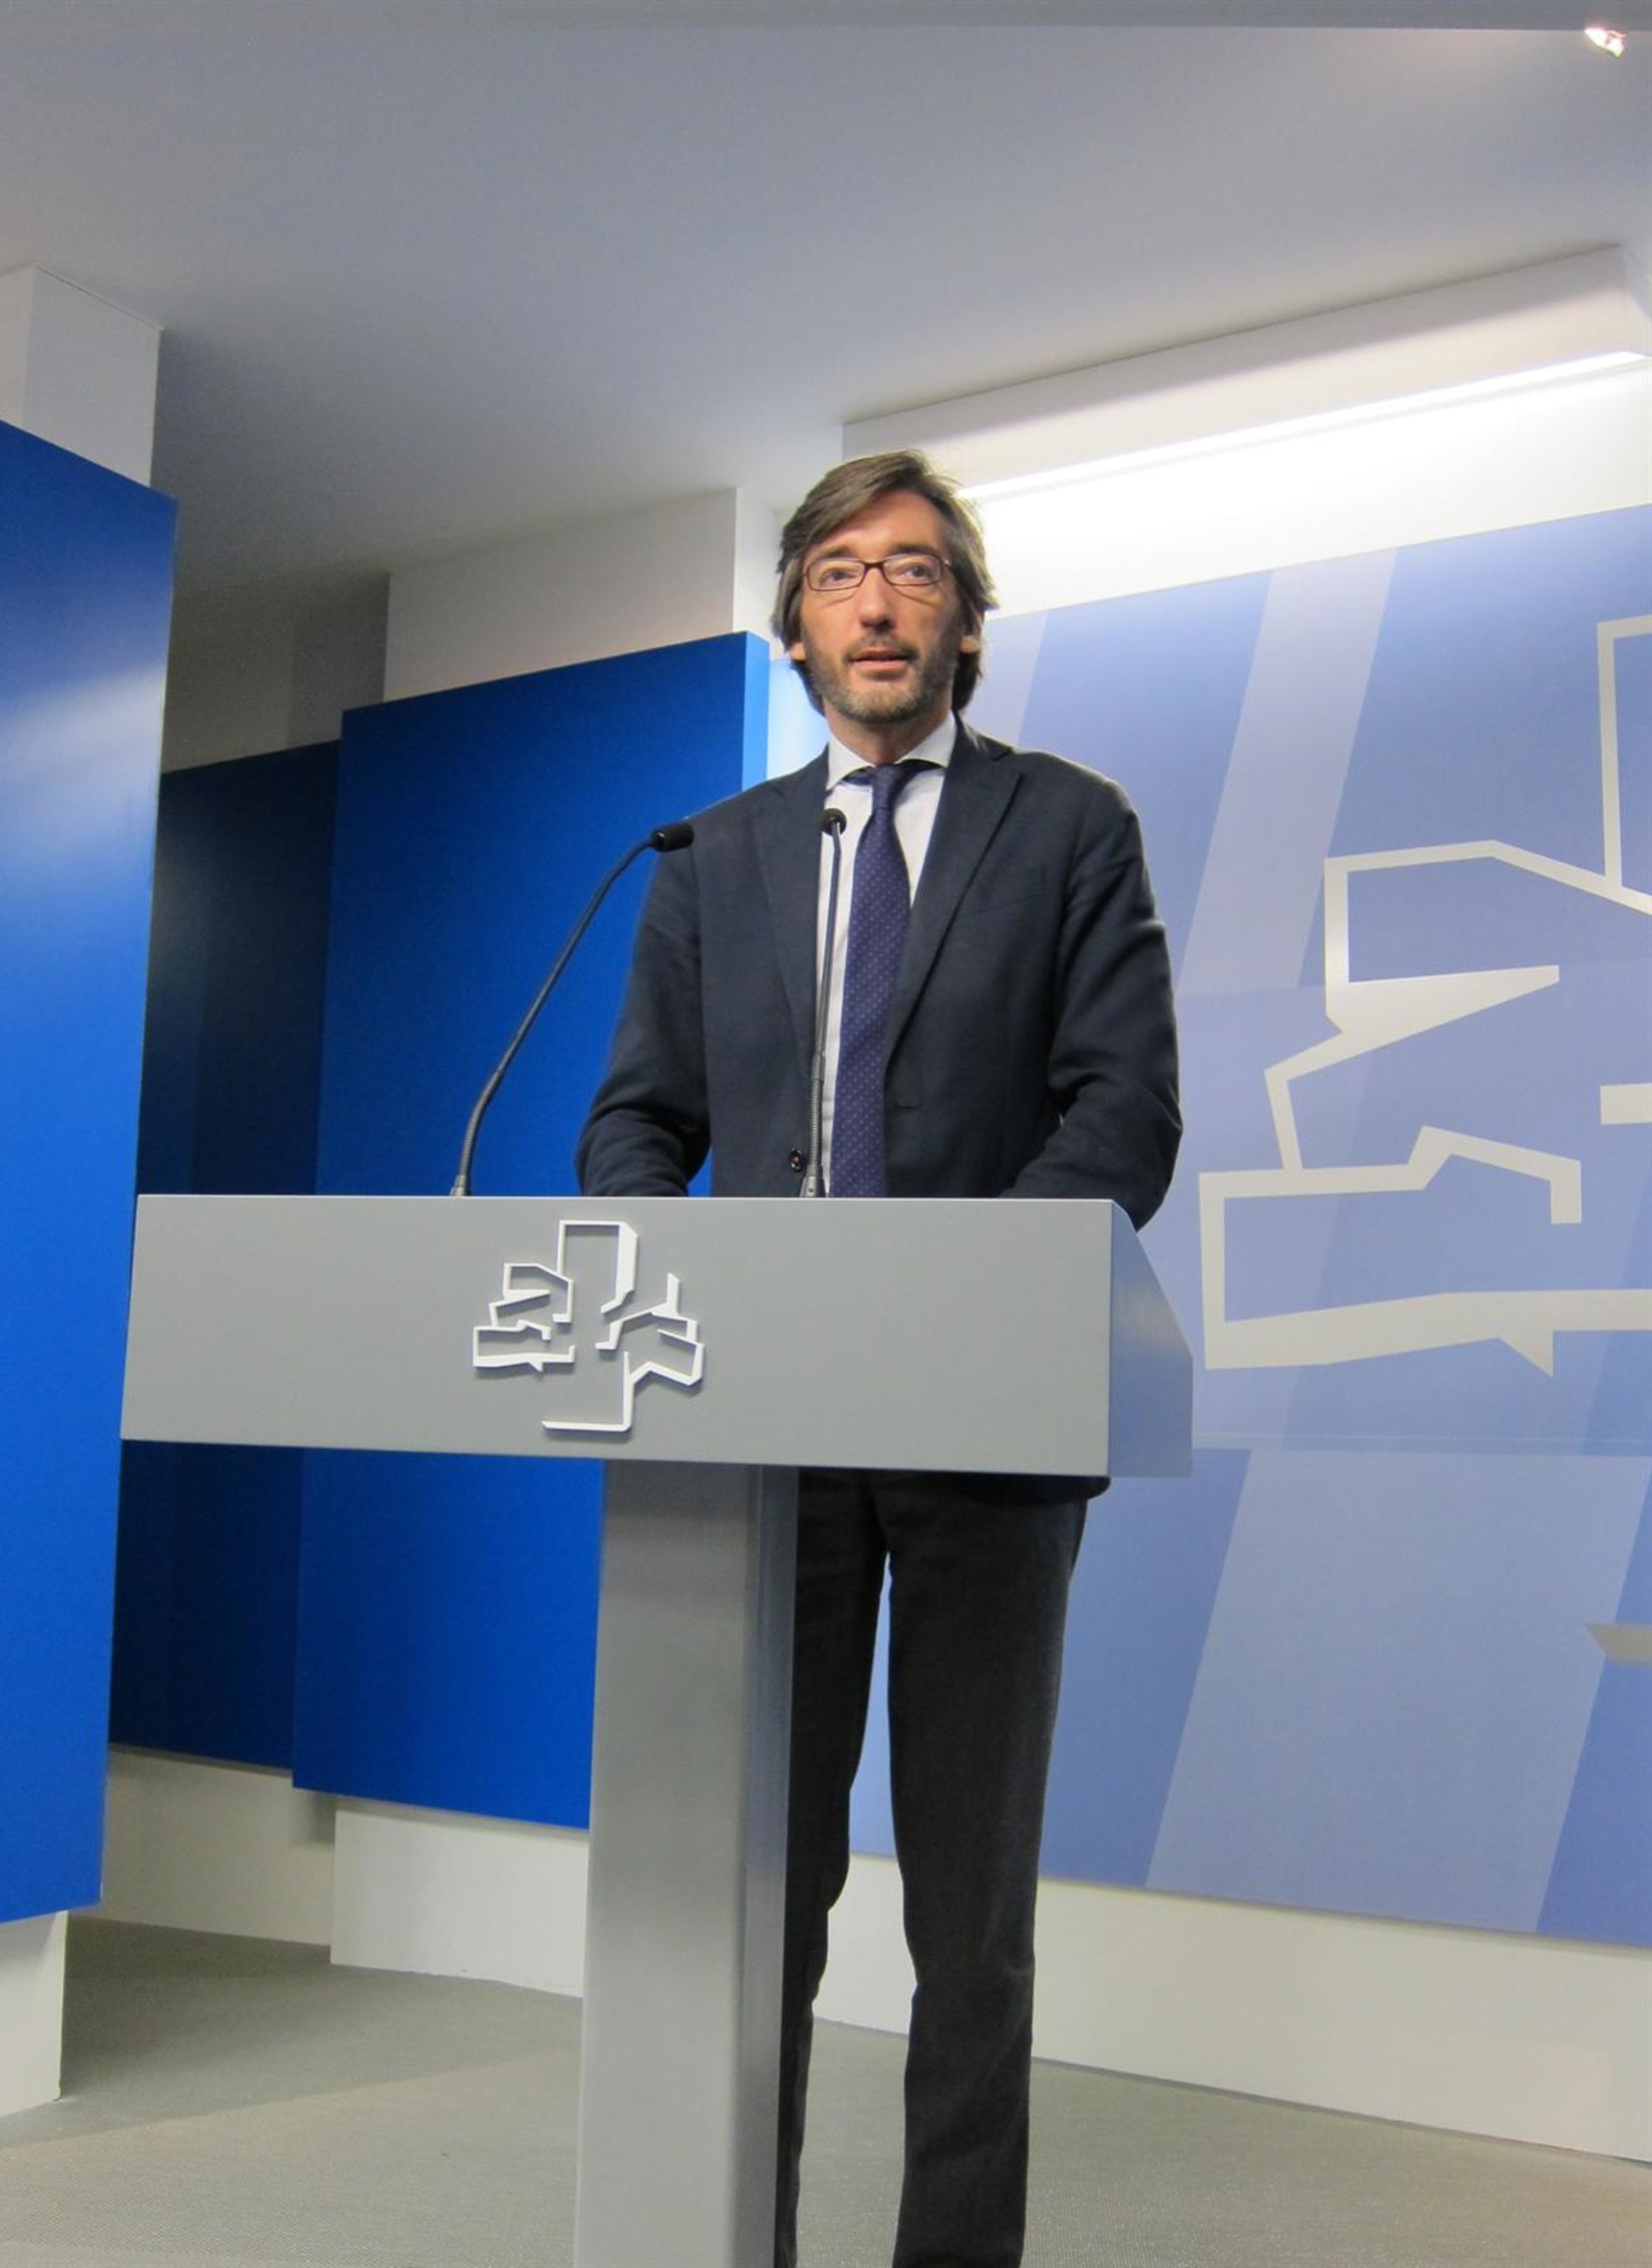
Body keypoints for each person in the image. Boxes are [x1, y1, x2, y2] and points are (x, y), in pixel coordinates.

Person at [577, 449, 1180, 2268]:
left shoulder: (1068, 827)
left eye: (915, 569)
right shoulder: (714, 856)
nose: (878, 601)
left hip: (989, 1425)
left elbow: (1121, 1110)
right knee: (763, 1893)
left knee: (970, 1919)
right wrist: (665, 1258)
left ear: (965, 624)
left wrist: (957, 1297)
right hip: (763, 1435)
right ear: (796, 628)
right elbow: (637, 1120)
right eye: (840, 571)